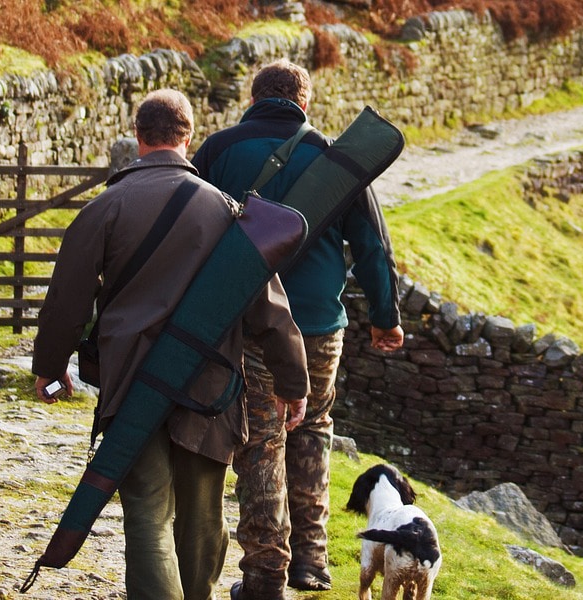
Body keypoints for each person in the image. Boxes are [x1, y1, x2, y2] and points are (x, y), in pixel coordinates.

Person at [30, 89, 311, 600]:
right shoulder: (227, 211)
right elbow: (270, 310)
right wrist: (294, 384)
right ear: (188, 137)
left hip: (130, 384)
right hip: (210, 386)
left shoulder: (105, 208)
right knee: (203, 517)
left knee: (146, 513)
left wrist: (49, 366)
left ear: (139, 137)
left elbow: (66, 302)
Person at [190, 59, 406, 599]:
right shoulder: (336, 159)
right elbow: (373, 247)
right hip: (318, 323)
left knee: (261, 439)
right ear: (304, 102)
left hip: (247, 321)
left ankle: (266, 574)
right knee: (312, 429)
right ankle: (310, 561)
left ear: (254, 96)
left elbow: (188, 228)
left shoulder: (217, 151)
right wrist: (385, 319)